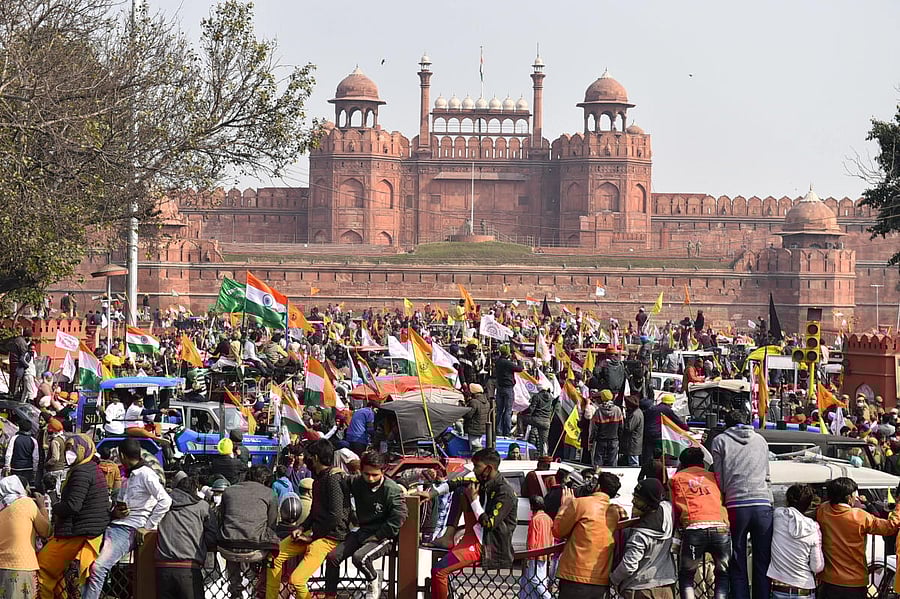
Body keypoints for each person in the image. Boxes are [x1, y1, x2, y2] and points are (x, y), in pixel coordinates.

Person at [82, 439, 172, 599]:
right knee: (84, 563)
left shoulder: (146, 474)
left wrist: (148, 526)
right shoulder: (128, 475)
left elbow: (165, 500)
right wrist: (116, 511)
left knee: (98, 568)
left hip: (128, 529)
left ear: (122, 456)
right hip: (114, 524)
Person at [423, 448, 517, 599]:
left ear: (488, 468)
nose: (474, 470)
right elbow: (455, 483)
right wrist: (430, 494)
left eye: (477, 466)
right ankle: (448, 536)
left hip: (485, 543)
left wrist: (474, 501)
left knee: (439, 571)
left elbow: (489, 524)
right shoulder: (483, 481)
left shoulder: (505, 492)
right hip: (473, 533)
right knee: (461, 489)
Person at [267, 439, 349, 599]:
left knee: (297, 580)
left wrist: (312, 536)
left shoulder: (333, 479)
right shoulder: (318, 478)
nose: (304, 459)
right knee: (274, 557)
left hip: (330, 537)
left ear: (316, 458)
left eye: (307, 456)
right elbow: (314, 513)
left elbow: (336, 516)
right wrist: (301, 528)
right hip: (315, 533)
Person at [325, 451, 407, 599]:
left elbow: (399, 517)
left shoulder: (392, 489)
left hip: (383, 535)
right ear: (361, 471)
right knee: (332, 557)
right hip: (362, 531)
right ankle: (330, 595)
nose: (370, 478)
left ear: (383, 471)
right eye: (366, 474)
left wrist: (378, 535)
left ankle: (374, 580)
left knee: (359, 558)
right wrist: (337, 473)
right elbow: (346, 481)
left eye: (375, 475)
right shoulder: (357, 481)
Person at [37, 435, 110, 599]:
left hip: (76, 532)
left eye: (74, 449)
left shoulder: (81, 472)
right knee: (59, 576)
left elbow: (72, 505)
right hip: (87, 529)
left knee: (42, 569)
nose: (69, 453)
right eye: (68, 449)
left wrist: (55, 506)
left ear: (85, 450)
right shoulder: (92, 468)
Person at [710, 410, 773, 599]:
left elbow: (719, 477)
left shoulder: (720, 441)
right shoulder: (761, 440)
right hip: (763, 504)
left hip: (736, 505)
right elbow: (767, 474)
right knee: (763, 560)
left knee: (737, 559)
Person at [816, 477, 900, 599]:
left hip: (828, 582)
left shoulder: (823, 511)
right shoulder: (859, 516)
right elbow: (889, 527)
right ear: (849, 497)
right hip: (854, 582)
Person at [553, 471, 625, 599]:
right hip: (601, 580)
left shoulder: (580, 503)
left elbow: (558, 531)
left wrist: (564, 507)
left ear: (598, 487)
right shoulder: (616, 511)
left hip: (574, 576)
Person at [669, 447, 730, 599]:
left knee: (687, 575)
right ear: (702, 462)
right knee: (722, 574)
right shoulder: (714, 477)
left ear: (682, 464)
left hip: (694, 528)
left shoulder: (676, 478)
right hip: (721, 528)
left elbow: (674, 509)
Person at [611, 479, 677, 599]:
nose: (633, 501)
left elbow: (628, 566)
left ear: (648, 502)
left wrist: (613, 579)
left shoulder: (639, 535)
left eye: (638, 499)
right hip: (666, 585)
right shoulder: (668, 511)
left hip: (640, 589)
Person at [220, 464, 279, 598]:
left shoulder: (228, 491)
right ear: (266, 480)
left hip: (228, 548)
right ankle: (258, 587)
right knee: (270, 542)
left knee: (232, 541)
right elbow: (272, 525)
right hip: (256, 550)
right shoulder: (270, 494)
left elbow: (222, 519)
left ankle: (235, 589)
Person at [155, 473, 218, 599]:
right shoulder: (202, 507)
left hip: (162, 568)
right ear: (194, 490)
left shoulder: (162, 505)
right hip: (189, 568)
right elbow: (212, 537)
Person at [766, 484, 824, 599]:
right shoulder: (813, 528)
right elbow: (817, 567)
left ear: (788, 500)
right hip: (804, 589)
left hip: (779, 589)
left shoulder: (778, 516)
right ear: (809, 504)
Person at [0, 475, 50, 598]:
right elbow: (46, 531)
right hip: (22, 565)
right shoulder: (26, 503)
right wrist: (42, 506)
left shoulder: (2, 507)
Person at [519, 495, 554, 599]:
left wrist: (529, 555)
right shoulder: (548, 518)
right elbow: (551, 537)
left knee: (534, 579)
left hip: (536, 554)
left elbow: (532, 539)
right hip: (545, 553)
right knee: (538, 580)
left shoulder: (535, 519)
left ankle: (548, 597)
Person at [642, 394, 687, 466]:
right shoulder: (667, 410)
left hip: (647, 433)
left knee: (648, 453)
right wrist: (687, 429)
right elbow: (676, 421)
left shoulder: (653, 408)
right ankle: (660, 466)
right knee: (660, 453)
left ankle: (647, 466)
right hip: (658, 434)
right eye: (671, 404)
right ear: (668, 403)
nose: (672, 406)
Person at [494, 345, 523, 437]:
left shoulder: (498, 362)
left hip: (499, 388)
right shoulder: (507, 363)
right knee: (508, 411)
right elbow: (520, 368)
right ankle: (506, 432)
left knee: (499, 410)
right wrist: (519, 359)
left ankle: (498, 430)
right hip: (508, 389)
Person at [592, 389, 624, 467]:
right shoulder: (618, 410)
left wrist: (592, 439)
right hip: (614, 439)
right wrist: (619, 437)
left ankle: (597, 477)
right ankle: (611, 477)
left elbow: (595, 428)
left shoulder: (598, 411)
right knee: (612, 462)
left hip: (601, 440)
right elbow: (621, 426)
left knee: (598, 462)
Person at [4, 419, 39, 487]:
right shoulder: (33, 440)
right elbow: (36, 457)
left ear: (19, 427)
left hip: (16, 467)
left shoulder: (14, 438)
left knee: (16, 486)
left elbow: (8, 454)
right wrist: (34, 469)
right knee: (26, 486)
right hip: (28, 468)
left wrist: (7, 466)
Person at [526, 380, 554, 457]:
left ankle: (521, 434)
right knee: (543, 441)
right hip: (546, 422)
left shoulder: (537, 396)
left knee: (521, 417)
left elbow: (531, 409)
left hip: (536, 420)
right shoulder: (550, 397)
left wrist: (525, 413)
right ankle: (543, 456)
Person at [463, 383, 490, 452]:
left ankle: (476, 460)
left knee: (475, 448)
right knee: (478, 445)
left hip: (473, 428)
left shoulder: (474, 402)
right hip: (482, 428)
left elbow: (468, 415)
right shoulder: (486, 402)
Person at [44, 418, 68, 494]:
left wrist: (47, 464)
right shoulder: (62, 439)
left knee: (53, 491)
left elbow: (55, 458)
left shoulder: (55, 441)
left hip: (54, 470)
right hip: (61, 468)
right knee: (59, 489)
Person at [621, 395, 644, 466]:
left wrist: (623, 421)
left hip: (633, 442)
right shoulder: (636, 412)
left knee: (633, 462)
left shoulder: (635, 414)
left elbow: (629, 428)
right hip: (632, 442)